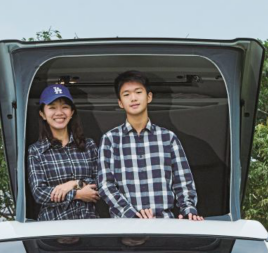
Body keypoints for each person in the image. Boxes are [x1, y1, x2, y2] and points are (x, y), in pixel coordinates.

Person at [97, 70, 203, 220]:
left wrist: (189, 211)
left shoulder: (168, 138)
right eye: (126, 94)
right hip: (125, 226)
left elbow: (183, 182)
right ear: (120, 103)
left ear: (149, 97)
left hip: (165, 224)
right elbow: (105, 185)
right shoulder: (110, 139)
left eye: (138, 92)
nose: (133, 98)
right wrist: (132, 215)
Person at [27, 83, 100, 220]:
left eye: (65, 107)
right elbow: (40, 193)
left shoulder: (89, 145)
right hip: (53, 229)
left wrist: (73, 183)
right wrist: (77, 194)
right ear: (42, 114)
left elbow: (100, 183)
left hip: (89, 226)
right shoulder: (36, 151)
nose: (59, 113)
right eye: (52, 107)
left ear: (72, 112)